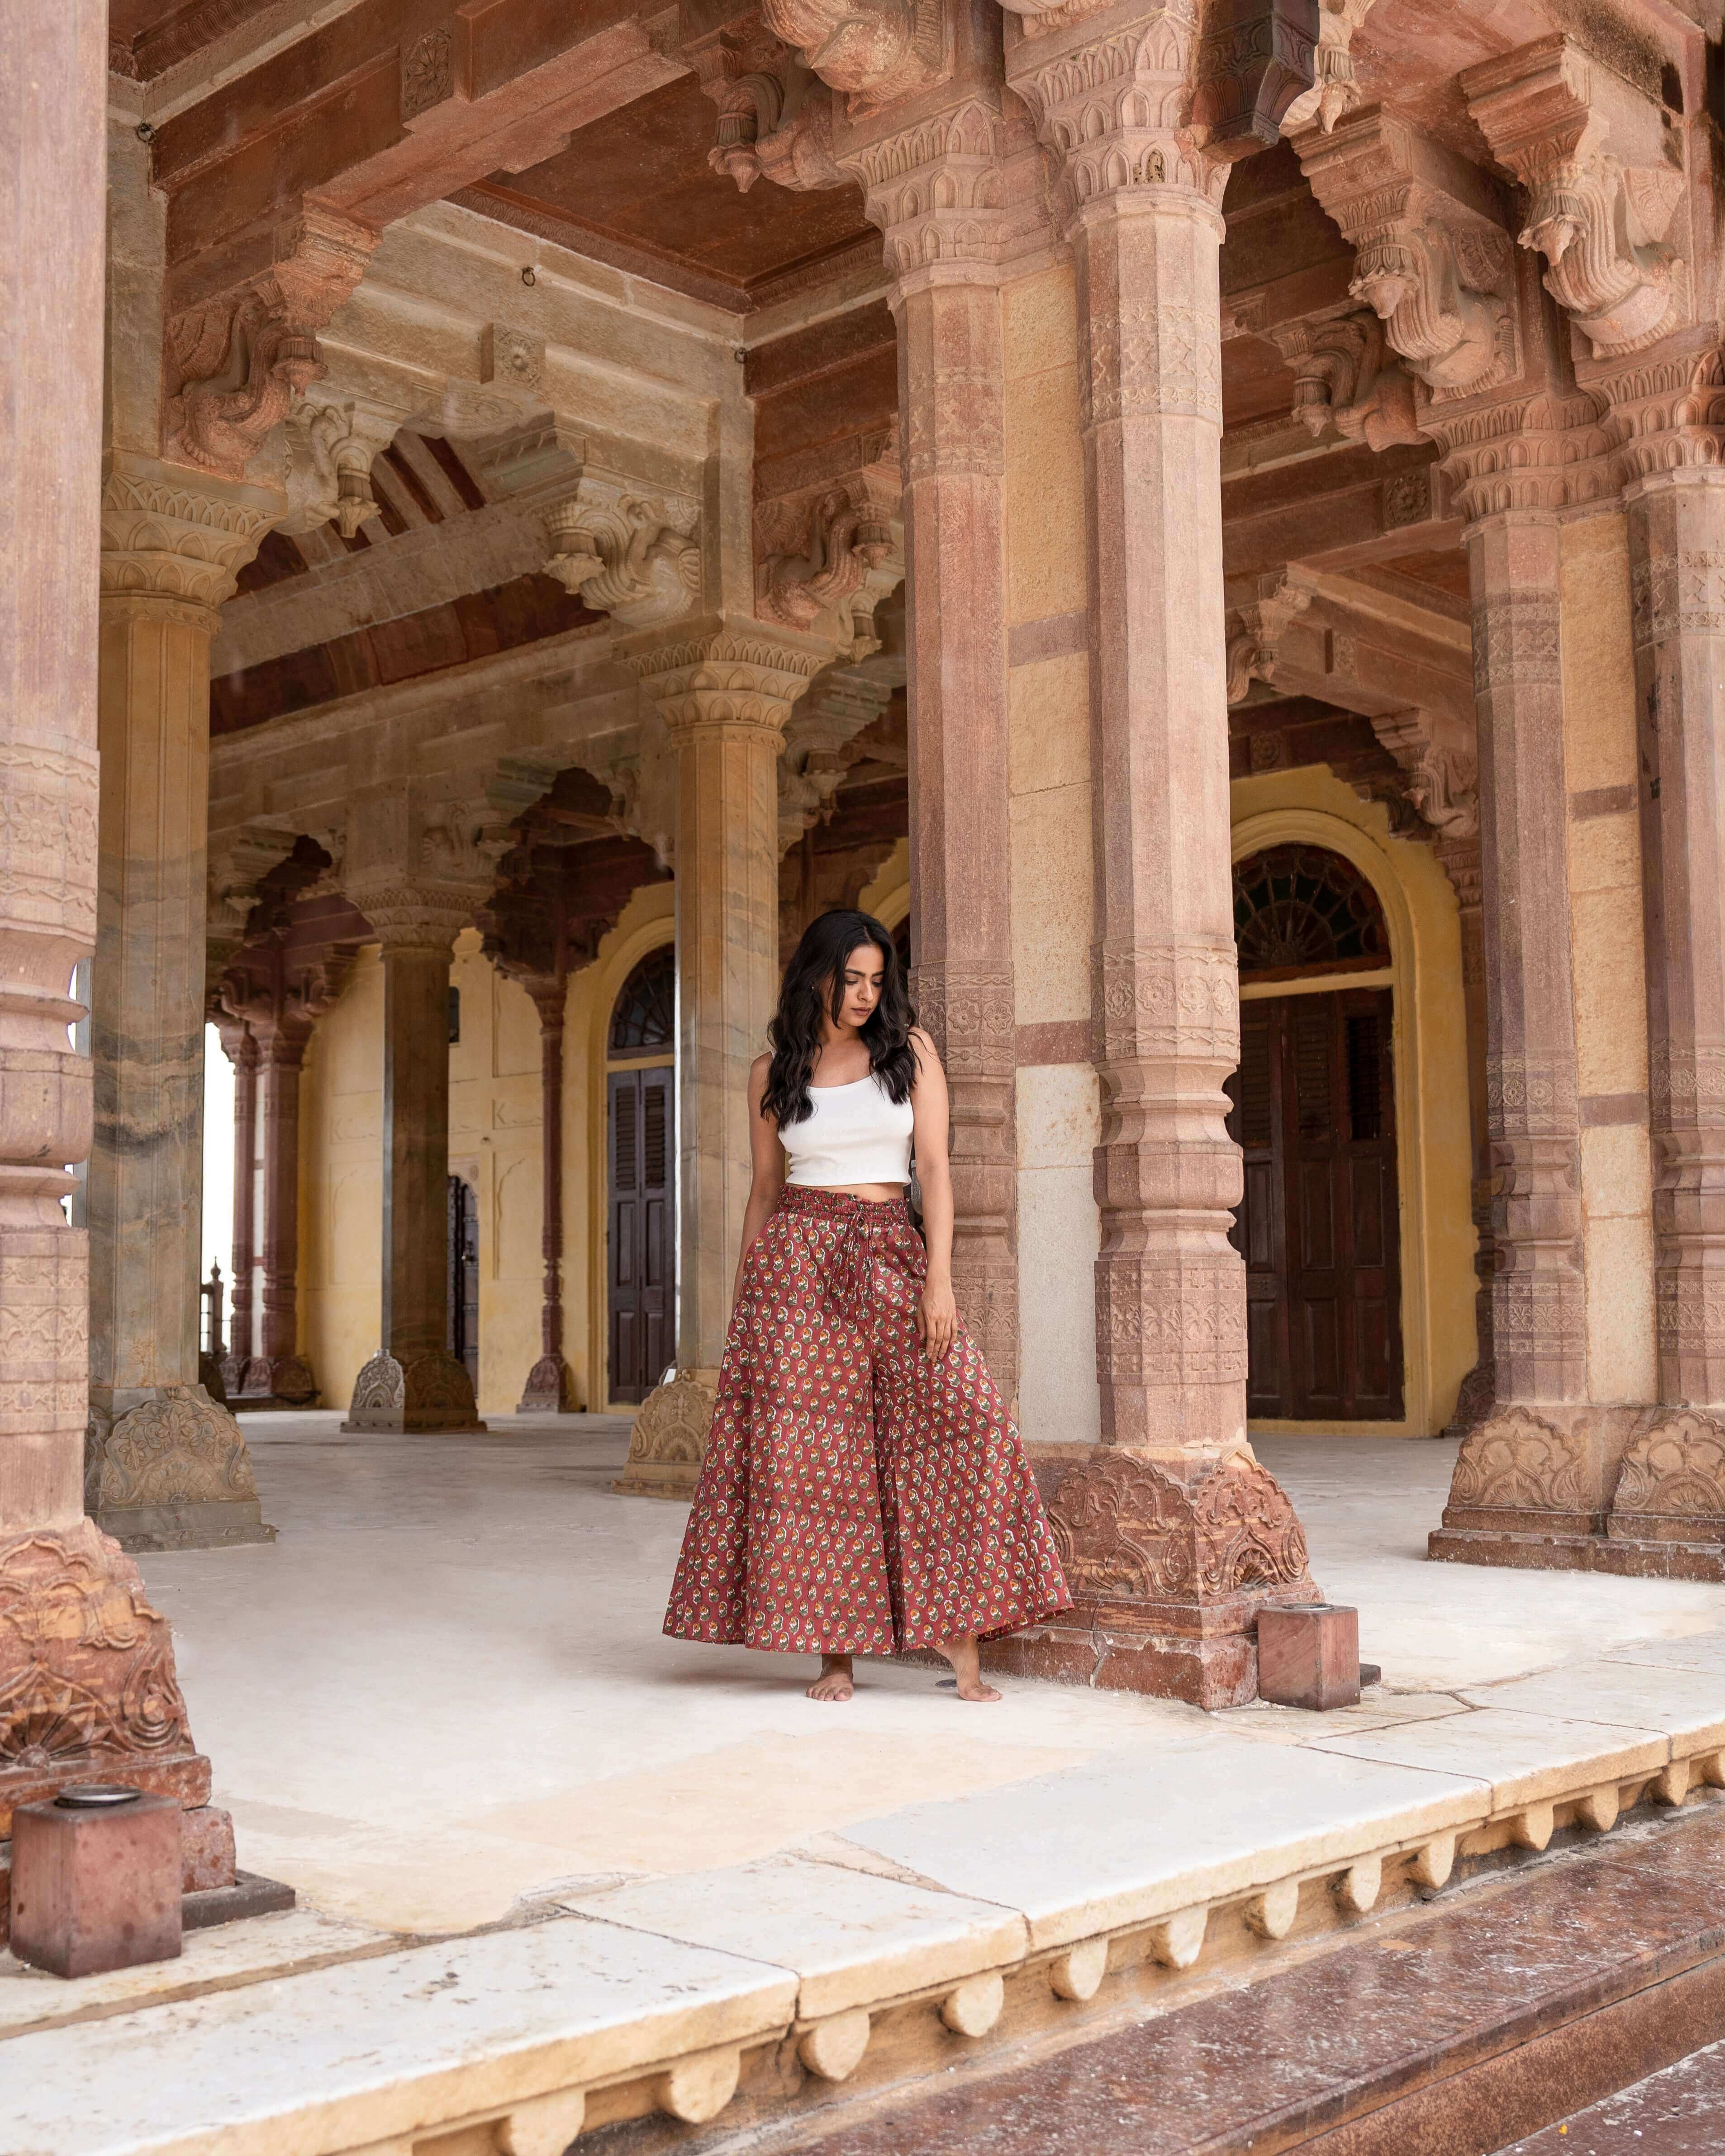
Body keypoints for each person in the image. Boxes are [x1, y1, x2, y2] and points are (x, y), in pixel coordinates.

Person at [663, 907, 1070, 1702]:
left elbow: (935, 1171)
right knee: (819, 1462)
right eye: (850, 978)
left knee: (961, 1422)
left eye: (876, 980)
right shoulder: (772, 1069)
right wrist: (748, 1301)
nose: (863, 994)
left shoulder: (908, 1052)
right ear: (814, 974)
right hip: (797, 1264)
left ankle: (963, 1653)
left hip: (889, 1248)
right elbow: (765, 1191)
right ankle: (836, 1657)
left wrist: (939, 1278)